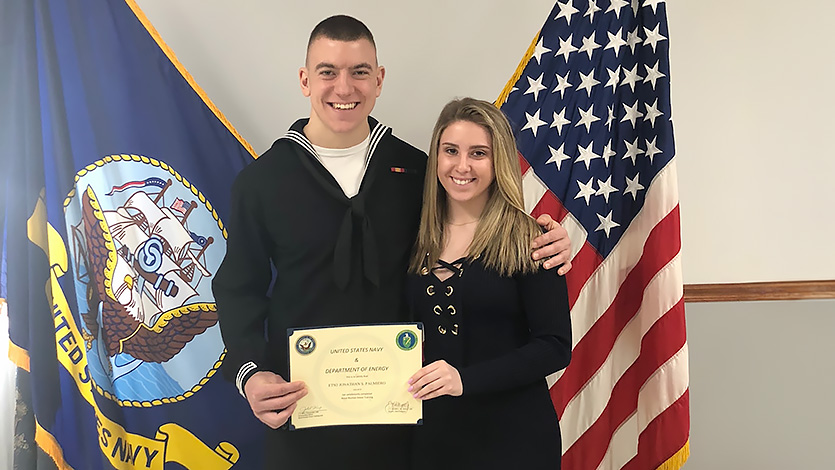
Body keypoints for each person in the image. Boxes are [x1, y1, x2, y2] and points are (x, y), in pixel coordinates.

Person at [212, 15, 573, 469]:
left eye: (359, 71)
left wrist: (547, 238)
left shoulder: (417, 172)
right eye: (327, 71)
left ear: (379, 79)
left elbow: (480, 223)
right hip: (307, 412)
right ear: (305, 80)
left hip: (407, 420)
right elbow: (237, 288)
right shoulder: (260, 182)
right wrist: (250, 373)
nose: (344, 88)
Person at [406, 98, 572, 469]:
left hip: (514, 440)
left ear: (498, 162)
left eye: (478, 153)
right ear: (436, 157)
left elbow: (555, 346)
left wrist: (465, 379)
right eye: (451, 151)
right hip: (432, 439)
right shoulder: (411, 237)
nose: (462, 166)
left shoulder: (530, 239)